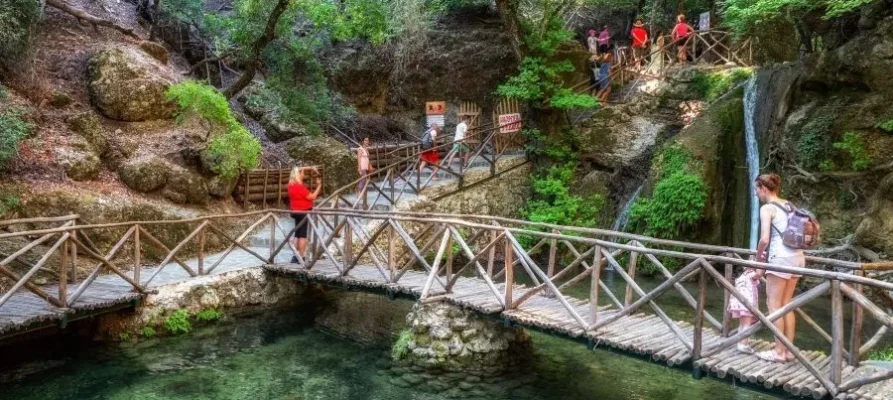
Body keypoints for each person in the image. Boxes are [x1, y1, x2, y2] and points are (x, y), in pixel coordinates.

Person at [751, 173, 804, 363]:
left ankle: (779, 353)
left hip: (780, 259)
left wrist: (758, 261)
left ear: (763, 188)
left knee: (774, 306)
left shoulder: (767, 208)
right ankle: (788, 351)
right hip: (798, 258)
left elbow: (764, 239)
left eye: (756, 189)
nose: (756, 194)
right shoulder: (789, 205)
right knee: (786, 305)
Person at [288, 166, 322, 263]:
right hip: (303, 212)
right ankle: (301, 256)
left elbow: (297, 168)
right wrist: (319, 185)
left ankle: (295, 255)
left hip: (295, 211)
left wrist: (311, 167)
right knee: (303, 235)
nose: (303, 173)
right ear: (298, 175)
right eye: (302, 172)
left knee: (297, 234)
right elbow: (312, 197)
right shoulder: (300, 187)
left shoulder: (291, 185)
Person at [729, 268, 760, 354]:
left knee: (742, 324)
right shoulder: (752, 275)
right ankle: (743, 344)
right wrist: (762, 267)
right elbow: (759, 275)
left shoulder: (742, 276)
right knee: (747, 324)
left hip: (737, 302)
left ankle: (739, 342)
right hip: (747, 303)